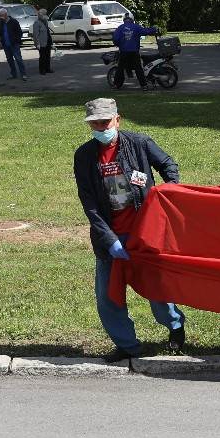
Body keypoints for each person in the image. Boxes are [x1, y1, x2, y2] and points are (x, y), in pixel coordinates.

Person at [73, 98, 185, 361]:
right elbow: (89, 203)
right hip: (109, 238)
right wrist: (110, 239)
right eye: (95, 125)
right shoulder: (84, 156)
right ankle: (127, 345)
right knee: (107, 295)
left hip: (145, 234)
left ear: (117, 120)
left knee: (156, 288)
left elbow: (169, 166)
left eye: (105, 122)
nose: (101, 129)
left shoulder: (139, 143)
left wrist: (166, 196)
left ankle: (176, 327)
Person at [112, 13, 158, 90]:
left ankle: (116, 85)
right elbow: (145, 31)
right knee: (138, 68)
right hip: (134, 51)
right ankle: (144, 86)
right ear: (132, 19)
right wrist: (154, 29)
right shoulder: (136, 27)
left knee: (120, 68)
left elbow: (115, 39)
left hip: (124, 52)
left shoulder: (120, 28)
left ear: (124, 19)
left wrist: (119, 44)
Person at [0, 7, 28, 81]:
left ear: (6, 14)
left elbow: (19, 33)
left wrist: (16, 41)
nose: (1, 17)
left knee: (18, 59)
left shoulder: (14, 22)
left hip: (14, 44)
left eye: (2, 15)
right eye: (0, 15)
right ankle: (13, 74)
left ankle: (23, 74)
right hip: (6, 45)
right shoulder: (1, 22)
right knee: (10, 60)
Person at [32, 8, 53, 75]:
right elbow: (35, 35)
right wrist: (37, 44)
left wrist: (51, 42)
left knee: (47, 56)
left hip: (47, 42)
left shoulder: (45, 21)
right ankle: (42, 70)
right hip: (41, 43)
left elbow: (47, 32)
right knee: (42, 57)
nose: (45, 15)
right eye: (44, 14)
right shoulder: (37, 23)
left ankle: (47, 69)